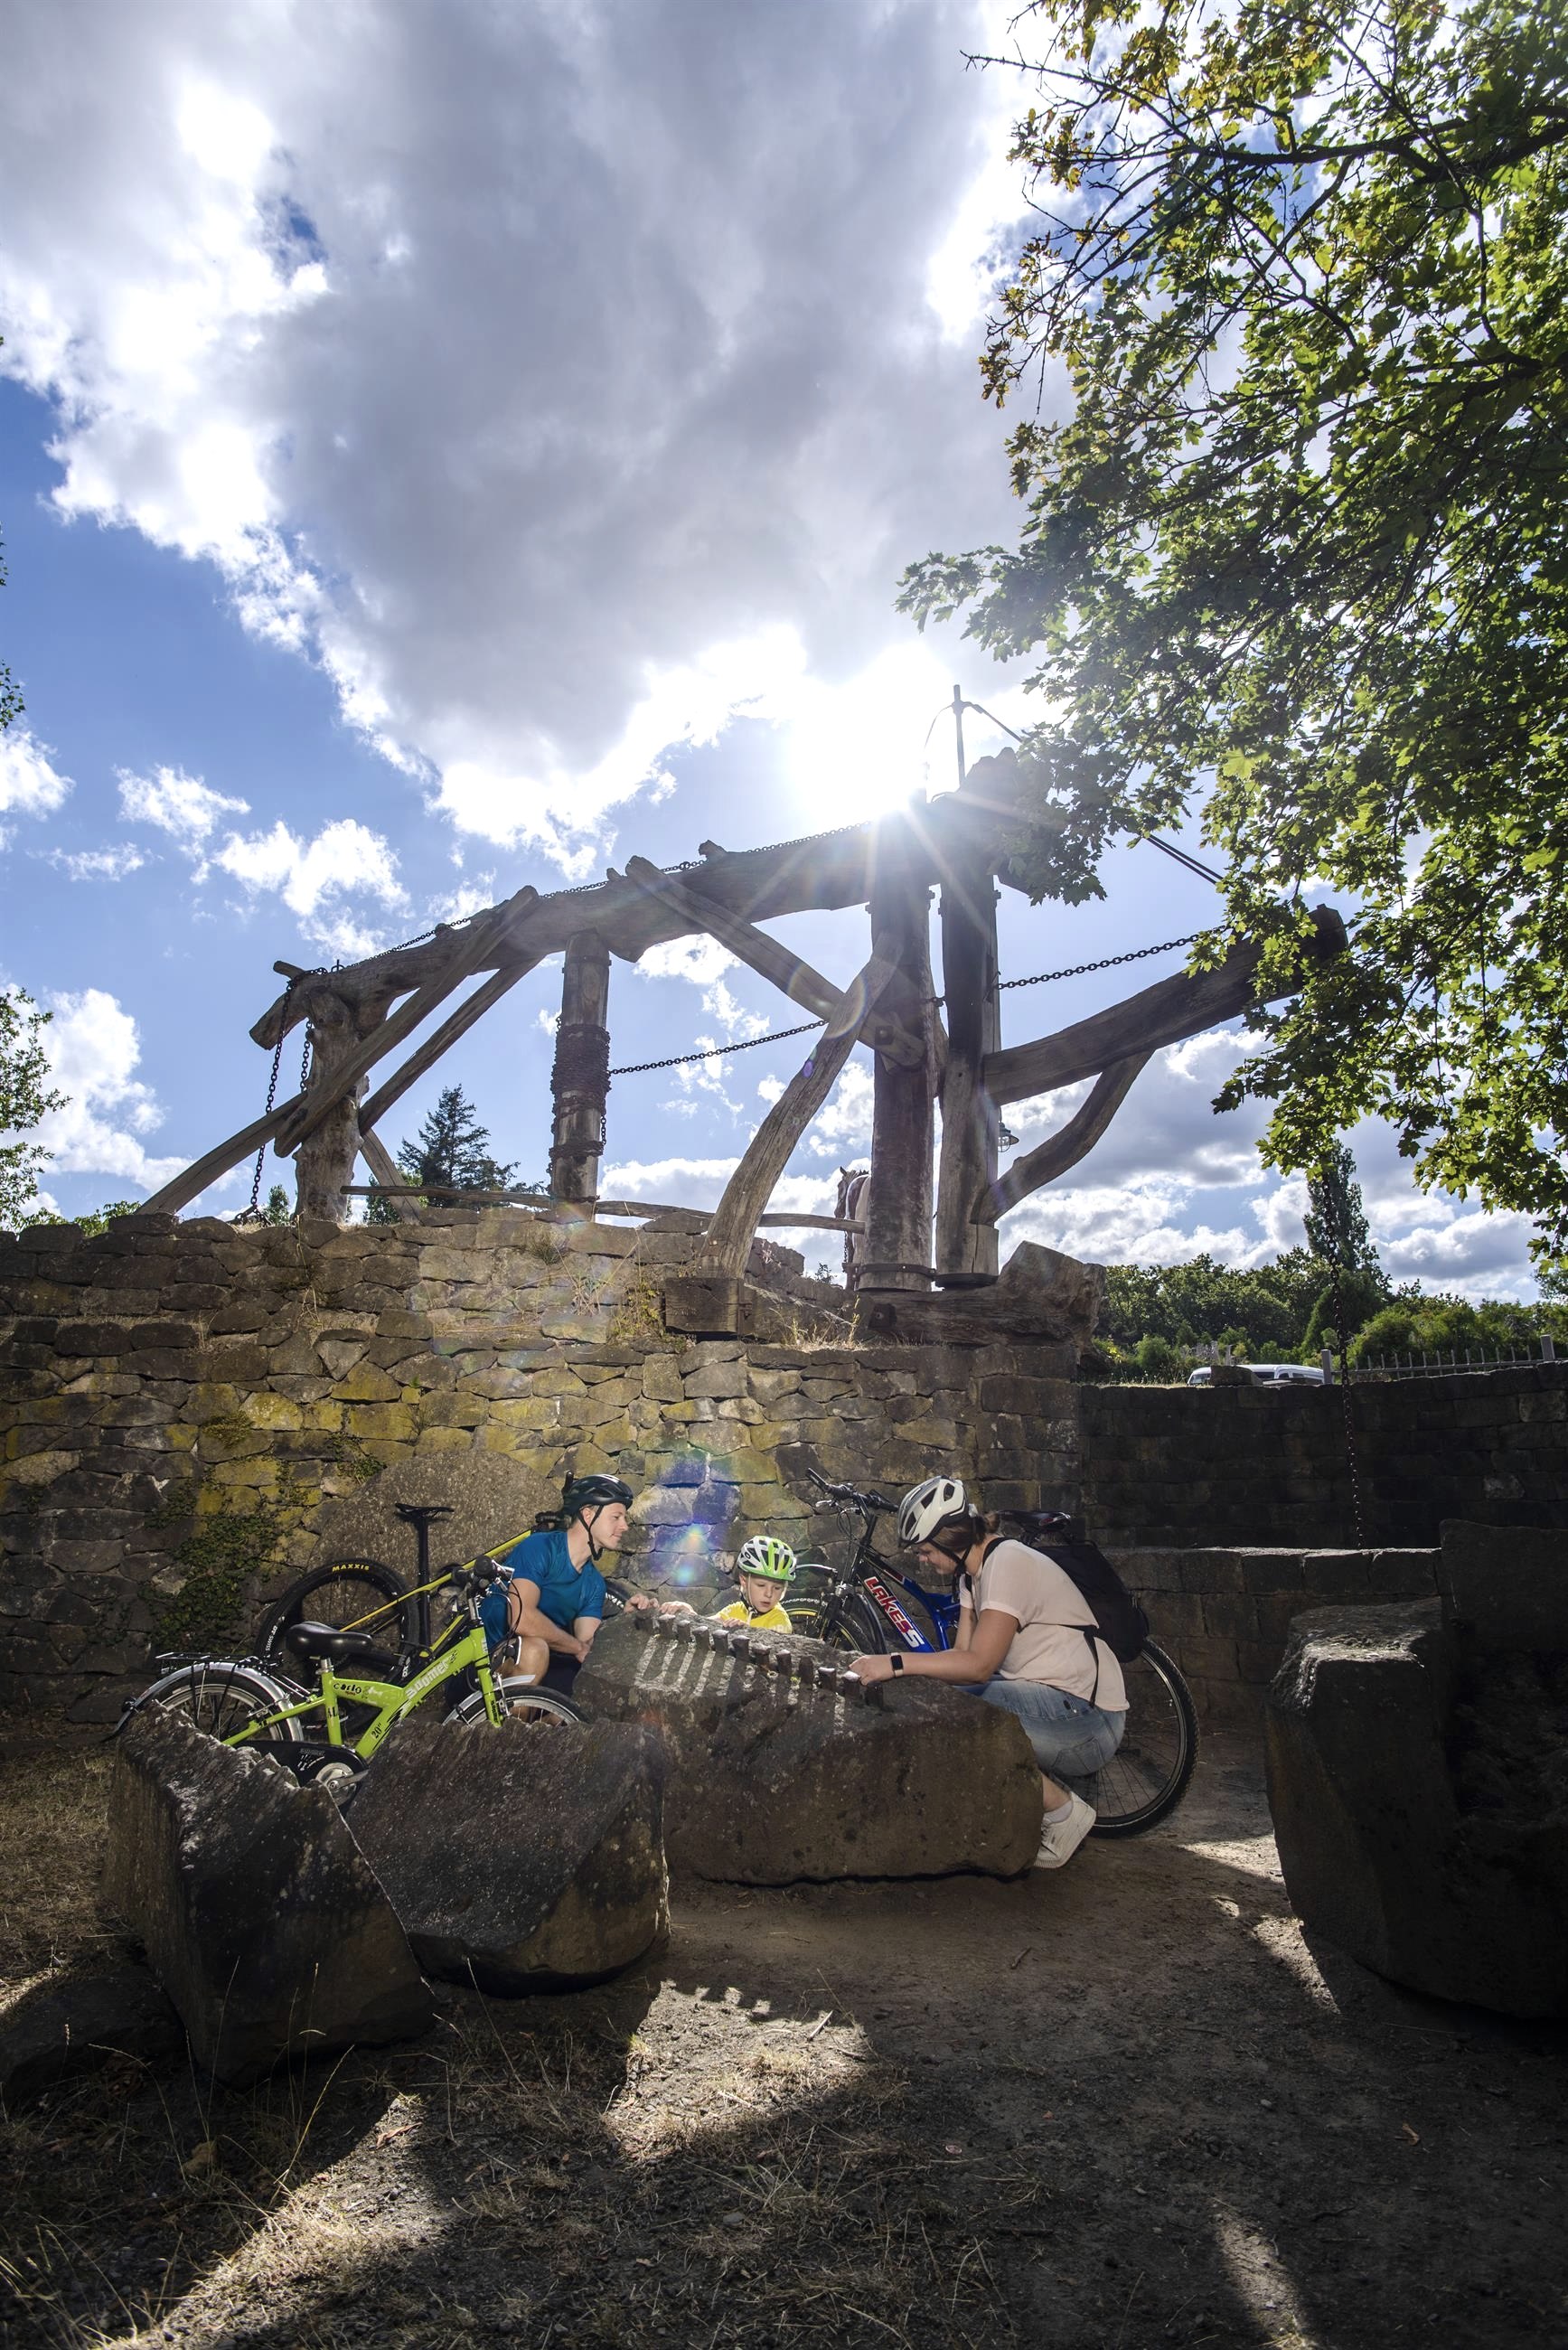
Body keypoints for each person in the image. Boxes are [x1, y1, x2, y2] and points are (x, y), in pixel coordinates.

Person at [846, 1475, 1127, 1870]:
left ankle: (1063, 1813)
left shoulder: (1007, 1563)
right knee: (942, 1700)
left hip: (1087, 1721)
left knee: (955, 1716)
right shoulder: (971, 1574)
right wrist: (909, 1675)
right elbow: (962, 1657)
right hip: (1057, 1704)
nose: (923, 1560)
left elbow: (979, 1666)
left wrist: (894, 1663)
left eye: (926, 1551)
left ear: (951, 1540)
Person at [482, 1472, 633, 1695]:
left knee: (583, 1684)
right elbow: (521, 1619)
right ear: (588, 1515)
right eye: (616, 1517)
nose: (625, 1526)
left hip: (539, 1670)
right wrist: (576, 1647)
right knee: (535, 1650)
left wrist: (625, 1620)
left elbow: (589, 1648)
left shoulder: (594, 1583)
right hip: (483, 1665)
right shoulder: (540, 1548)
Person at [627, 1534, 800, 1631]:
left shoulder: (780, 1620)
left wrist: (748, 1632)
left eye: (777, 1588)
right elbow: (705, 1625)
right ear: (743, 1581)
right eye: (761, 1585)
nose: (769, 1594)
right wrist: (688, 1611)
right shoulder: (736, 1610)